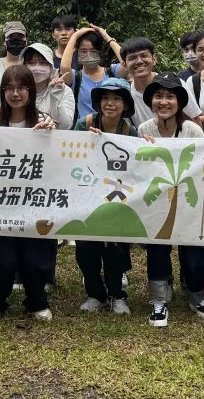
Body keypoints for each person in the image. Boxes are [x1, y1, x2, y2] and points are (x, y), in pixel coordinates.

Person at [0, 65, 58, 323]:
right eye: (9, 88)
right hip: (1, 204)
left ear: (31, 91)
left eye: (21, 87)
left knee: (36, 259)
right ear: (2, 92)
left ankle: (36, 301)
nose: (15, 94)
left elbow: (58, 158)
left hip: (36, 204)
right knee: (3, 260)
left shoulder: (44, 120)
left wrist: (51, 133)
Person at [138, 73, 204, 327]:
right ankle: (158, 300)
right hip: (158, 201)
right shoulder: (144, 129)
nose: (164, 102)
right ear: (151, 101)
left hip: (189, 201)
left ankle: (196, 293)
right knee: (157, 250)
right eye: (158, 96)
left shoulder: (191, 129)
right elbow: (140, 168)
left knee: (193, 255)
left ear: (179, 102)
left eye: (170, 96)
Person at [73, 77, 135, 315]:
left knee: (116, 249)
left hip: (117, 199)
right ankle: (94, 293)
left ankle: (117, 294)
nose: (110, 103)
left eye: (117, 98)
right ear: (98, 102)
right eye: (105, 98)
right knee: (85, 248)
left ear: (125, 104)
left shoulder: (131, 130)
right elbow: (71, 156)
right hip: (86, 197)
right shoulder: (84, 124)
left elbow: (139, 163)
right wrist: (87, 143)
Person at [59, 26, 124, 121]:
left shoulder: (111, 72)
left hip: (110, 131)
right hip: (84, 130)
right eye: (83, 51)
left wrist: (107, 37)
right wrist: (74, 36)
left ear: (99, 52)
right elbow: (64, 67)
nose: (88, 55)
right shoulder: (75, 78)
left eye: (93, 51)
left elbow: (126, 62)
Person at [24, 43, 76, 128]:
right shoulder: (18, 90)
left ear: (51, 67)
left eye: (43, 63)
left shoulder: (64, 91)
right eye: (32, 63)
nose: (37, 68)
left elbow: (65, 126)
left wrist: (55, 95)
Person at [0, 21, 29, 106]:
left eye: (20, 37)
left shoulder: (33, 65)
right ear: (4, 41)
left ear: (26, 40)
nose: (16, 40)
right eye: (11, 37)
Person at [50, 15, 78, 85]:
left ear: (75, 32)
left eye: (68, 29)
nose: (64, 33)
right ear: (53, 34)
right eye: (59, 30)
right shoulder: (48, 57)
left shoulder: (82, 55)